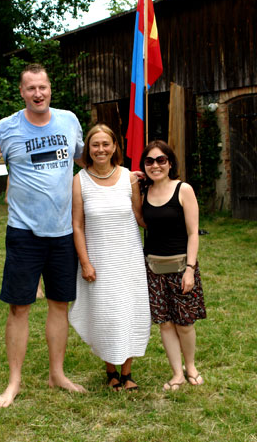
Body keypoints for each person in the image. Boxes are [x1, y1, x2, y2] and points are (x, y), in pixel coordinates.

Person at [0, 63, 86, 407]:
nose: (38, 94)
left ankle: (56, 374)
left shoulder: (69, 120)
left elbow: (84, 160)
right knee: (19, 308)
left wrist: (120, 175)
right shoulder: (6, 128)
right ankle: (14, 381)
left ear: (50, 88)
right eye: (31, 88)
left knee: (60, 304)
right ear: (21, 92)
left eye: (43, 87)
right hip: (24, 231)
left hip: (63, 232)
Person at [69, 124, 151, 391]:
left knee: (128, 312)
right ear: (88, 149)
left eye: (106, 144)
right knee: (106, 314)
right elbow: (77, 225)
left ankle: (127, 373)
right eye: (95, 145)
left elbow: (139, 218)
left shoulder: (129, 178)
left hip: (128, 259)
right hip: (99, 261)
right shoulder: (79, 180)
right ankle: (110, 371)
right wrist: (85, 262)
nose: (101, 149)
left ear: (115, 147)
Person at [140, 140, 206, 391]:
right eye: (149, 161)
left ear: (170, 163)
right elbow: (141, 221)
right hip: (153, 268)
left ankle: (191, 367)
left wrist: (190, 268)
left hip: (181, 267)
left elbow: (193, 233)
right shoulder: (144, 191)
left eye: (161, 160)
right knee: (165, 323)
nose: (155, 165)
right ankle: (177, 373)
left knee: (185, 323)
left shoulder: (183, 189)